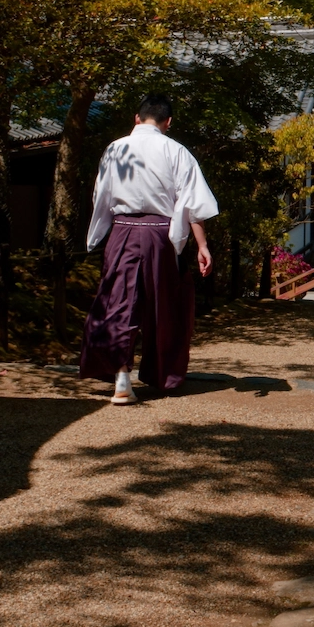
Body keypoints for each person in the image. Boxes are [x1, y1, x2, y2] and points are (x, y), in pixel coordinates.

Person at [80, 92, 218, 403]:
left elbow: (101, 195)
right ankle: (162, 374)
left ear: (137, 118)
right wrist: (201, 245)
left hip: (123, 232)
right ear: (168, 122)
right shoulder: (176, 151)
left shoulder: (115, 149)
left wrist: (101, 232)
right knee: (165, 305)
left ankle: (120, 375)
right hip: (160, 235)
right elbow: (191, 202)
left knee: (119, 302)